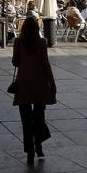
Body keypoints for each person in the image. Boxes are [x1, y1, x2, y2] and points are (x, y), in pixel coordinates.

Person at [12, 15, 57, 164]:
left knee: (26, 121)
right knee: (39, 118)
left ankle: (30, 151)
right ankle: (38, 145)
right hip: (40, 83)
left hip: (23, 84)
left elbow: (15, 62)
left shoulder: (18, 42)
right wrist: (52, 82)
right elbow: (46, 64)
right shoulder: (42, 43)